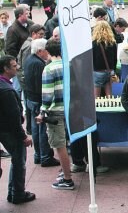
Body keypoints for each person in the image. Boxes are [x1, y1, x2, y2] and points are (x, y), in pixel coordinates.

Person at [0, 55, 36, 204]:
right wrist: (23, 136)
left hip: (5, 129)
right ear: (6, 69)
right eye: (14, 66)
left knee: (17, 161)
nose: (17, 68)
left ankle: (14, 192)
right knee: (19, 161)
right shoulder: (6, 90)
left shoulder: (4, 86)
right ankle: (17, 193)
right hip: (9, 131)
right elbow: (14, 118)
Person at [40, 39, 75, 190]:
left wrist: (43, 111)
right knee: (67, 142)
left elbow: (47, 94)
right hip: (70, 108)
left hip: (55, 111)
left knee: (59, 145)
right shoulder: (69, 65)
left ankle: (67, 178)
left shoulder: (49, 69)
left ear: (48, 52)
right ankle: (66, 170)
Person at [24, 38, 59, 167]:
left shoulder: (30, 60)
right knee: (43, 129)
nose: (48, 53)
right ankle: (45, 156)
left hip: (31, 98)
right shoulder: (39, 64)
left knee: (36, 128)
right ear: (40, 51)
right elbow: (42, 85)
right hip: (38, 100)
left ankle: (38, 155)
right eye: (46, 50)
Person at [92, 21, 118, 97]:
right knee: (109, 94)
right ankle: (109, 107)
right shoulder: (112, 43)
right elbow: (115, 59)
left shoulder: (94, 43)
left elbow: (92, 59)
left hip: (98, 71)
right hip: (110, 71)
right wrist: (113, 71)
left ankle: (97, 108)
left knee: (96, 96)